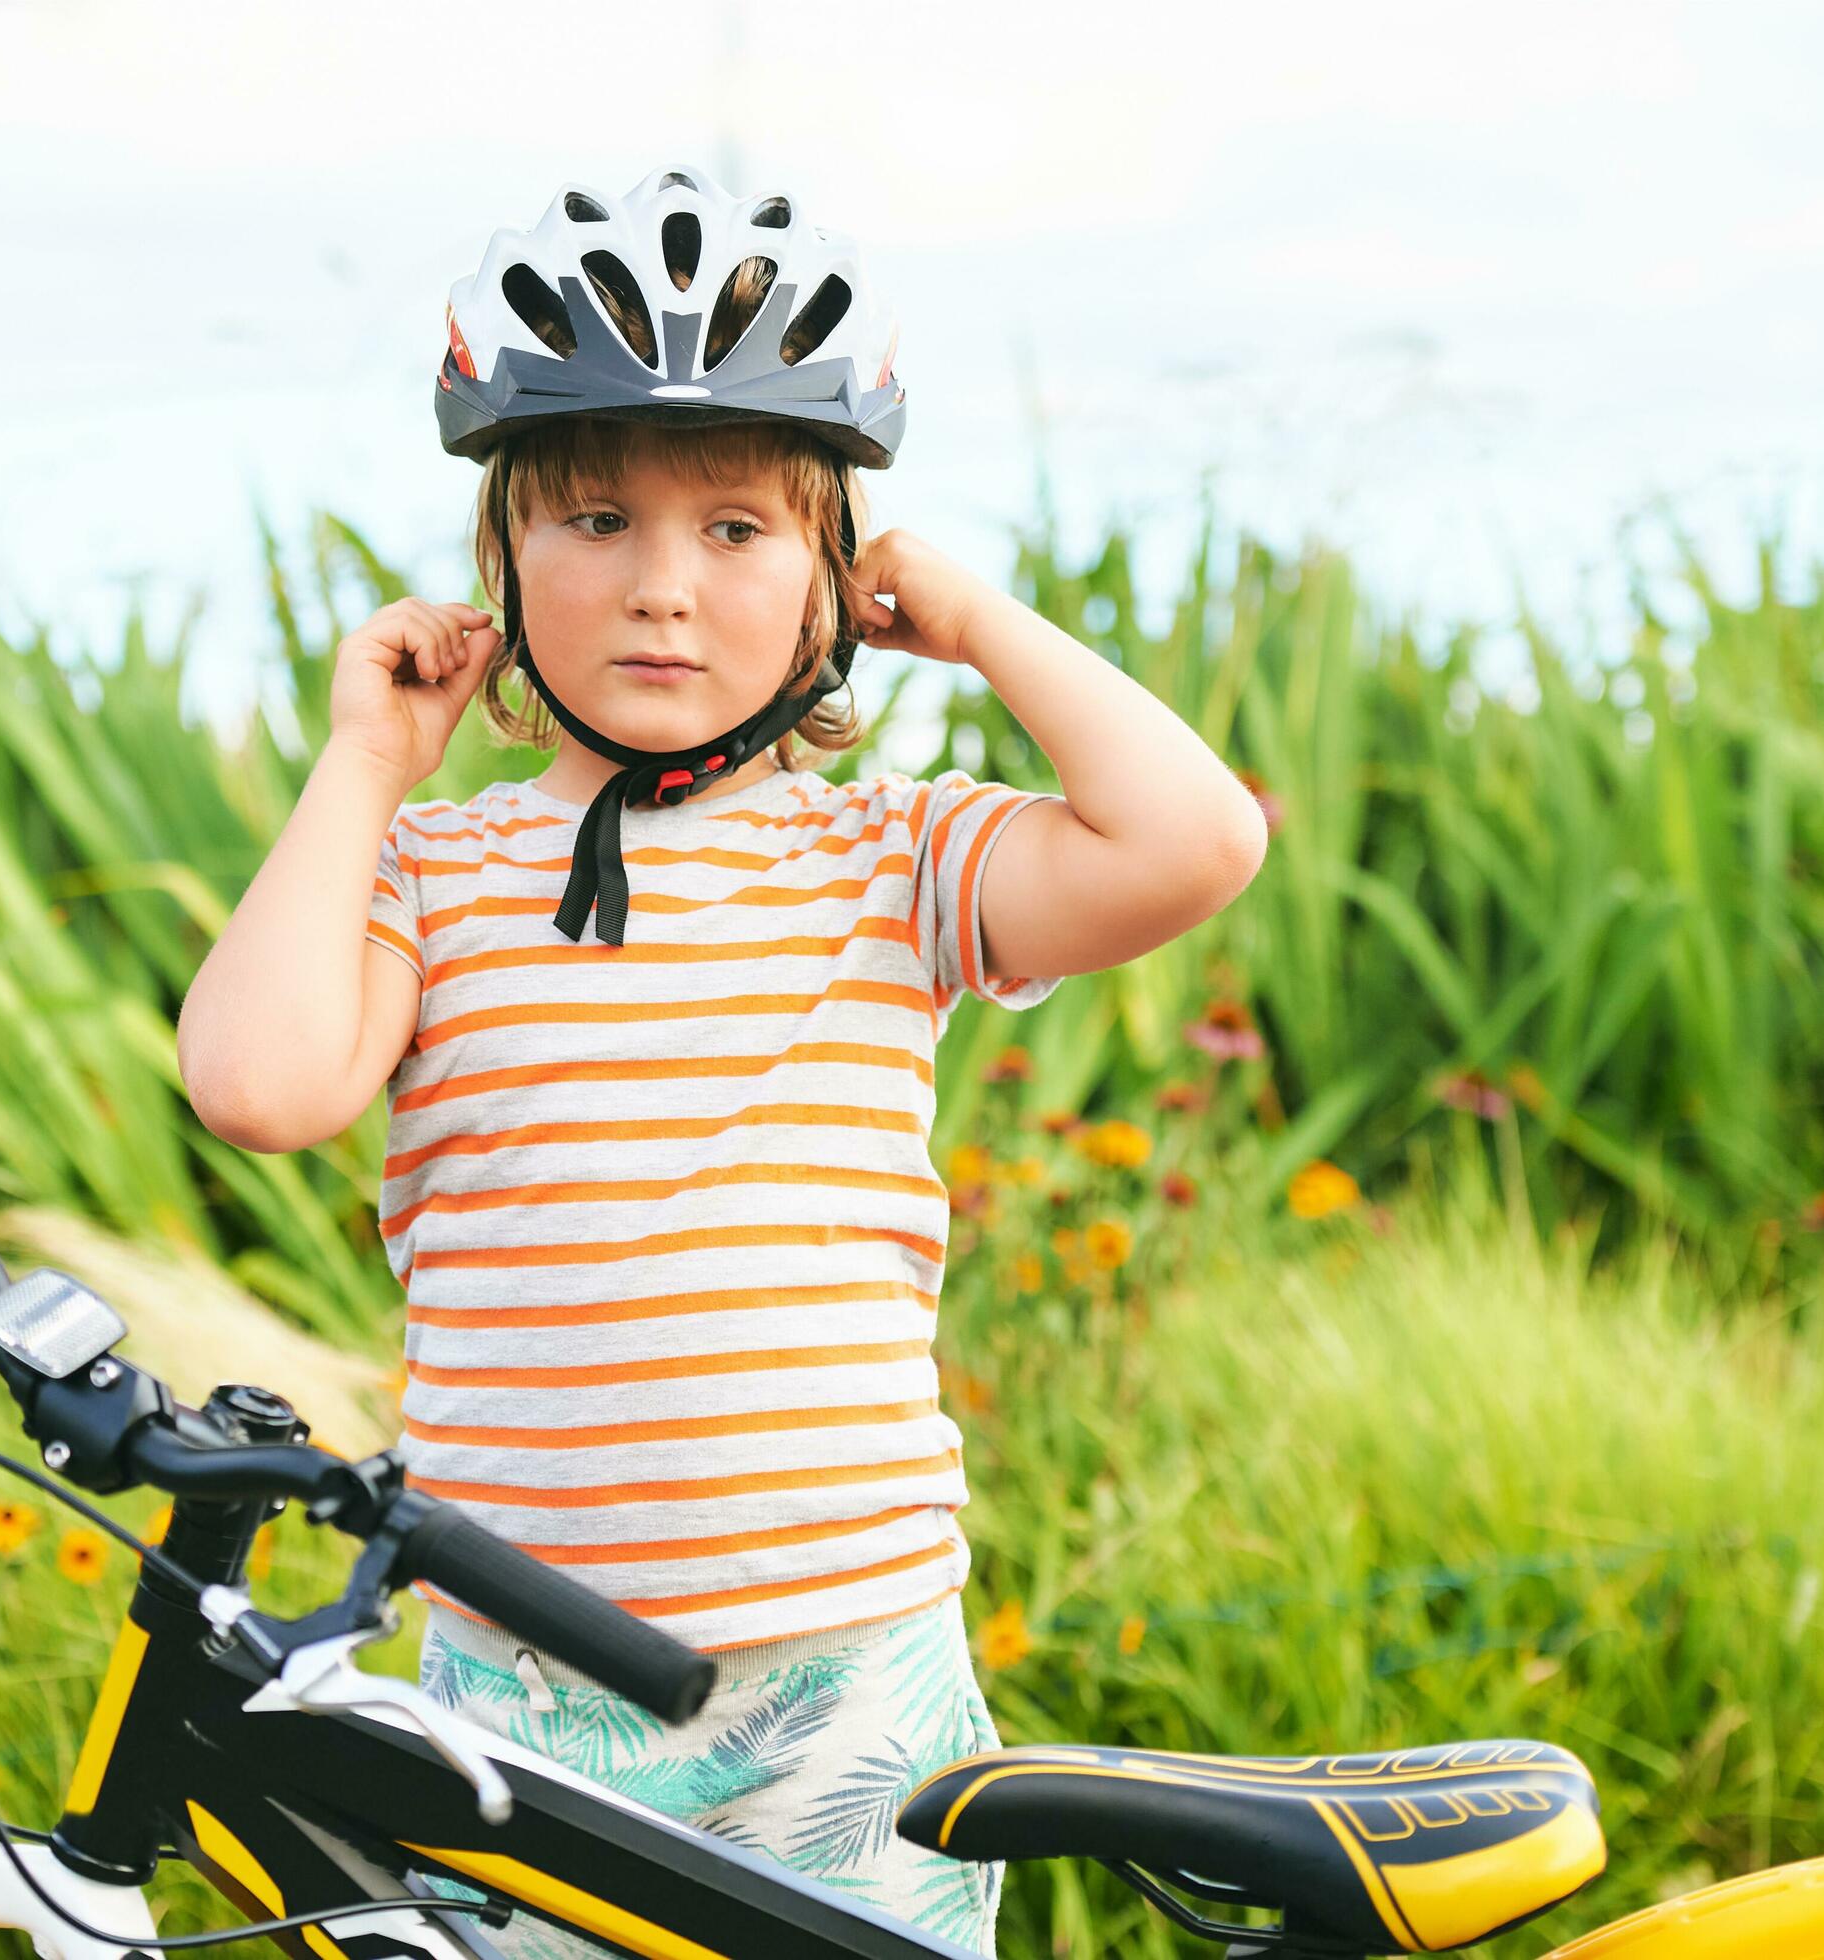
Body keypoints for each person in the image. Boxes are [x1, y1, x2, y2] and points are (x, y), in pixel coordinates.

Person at [178, 166, 1269, 1956]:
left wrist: (984, 625)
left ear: (834, 578)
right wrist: (363, 763)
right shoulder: (434, 872)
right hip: (521, 1671)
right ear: (500, 567)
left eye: (739, 533)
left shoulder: (889, 857)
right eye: (594, 522)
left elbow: (1194, 842)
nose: (662, 589)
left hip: (847, 1669)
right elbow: (258, 1083)